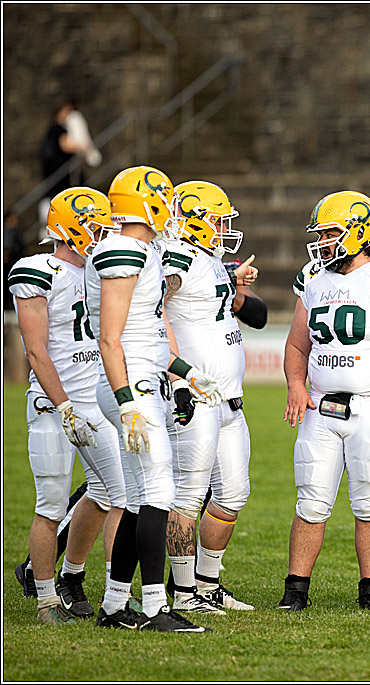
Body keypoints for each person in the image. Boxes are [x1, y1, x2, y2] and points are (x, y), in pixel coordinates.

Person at [278, 191, 370, 612]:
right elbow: (297, 345)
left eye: (330, 233)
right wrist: (295, 384)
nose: (322, 242)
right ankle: (295, 591)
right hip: (320, 406)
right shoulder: (313, 277)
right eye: (320, 234)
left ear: (360, 233)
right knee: (311, 500)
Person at [88, 165, 223, 633]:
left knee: (136, 497)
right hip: (131, 387)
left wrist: (188, 373)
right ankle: (152, 609)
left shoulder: (142, 249)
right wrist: (126, 401)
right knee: (159, 492)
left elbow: (146, 337)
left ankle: (113, 605)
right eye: (166, 200)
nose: (172, 210)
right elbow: (110, 338)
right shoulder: (123, 248)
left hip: (142, 379)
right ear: (146, 203)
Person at [8, 187, 127, 624]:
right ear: (70, 228)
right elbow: (36, 351)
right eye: (94, 226)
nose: (102, 234)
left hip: (95, 404)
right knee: (52, 505)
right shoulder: (39, 270)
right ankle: (45, 601)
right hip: (52, 406)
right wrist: (63, 407)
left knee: (118, 495)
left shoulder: (102, 270)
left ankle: (101, 589)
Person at [162, 180, 260, 613]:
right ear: (195, 220)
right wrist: (178, 373)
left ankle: (207, 584)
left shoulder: (209, 259)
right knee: (188, 495)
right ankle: (184, 593)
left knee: (233, 494)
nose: (223, 228)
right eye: (217, 220)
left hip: (228, 399)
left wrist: (234, 276)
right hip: (195, 397)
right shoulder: (176, 256)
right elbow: (152, 310)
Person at [37, 99, 102, 227]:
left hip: (58, 171)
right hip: (59, 171)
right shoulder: (57, 129)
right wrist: (85, 147)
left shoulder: (53, 129)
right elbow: (66, 145)